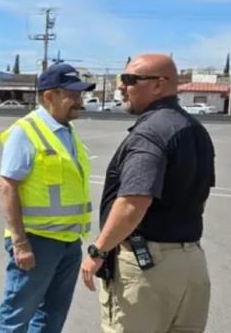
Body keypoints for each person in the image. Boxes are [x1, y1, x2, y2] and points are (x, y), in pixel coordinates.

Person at [80, 54, 215, 333]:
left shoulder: (151, 132)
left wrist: (97, 251)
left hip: (149, 268)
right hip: (191, 263)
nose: (121, 87)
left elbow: (133, 203)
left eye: (130, 80)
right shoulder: (195, 130)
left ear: (159, 85)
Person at [0, 63, 96, 333]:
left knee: (52, 315)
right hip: (37, 242)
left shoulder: (68, 132)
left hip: (68, 241)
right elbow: (7, 187)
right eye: (72, 94)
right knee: (18, 313)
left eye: (80, 94)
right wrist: (20, 242)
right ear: (49, 96)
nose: (79, 100)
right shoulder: (26, 131)